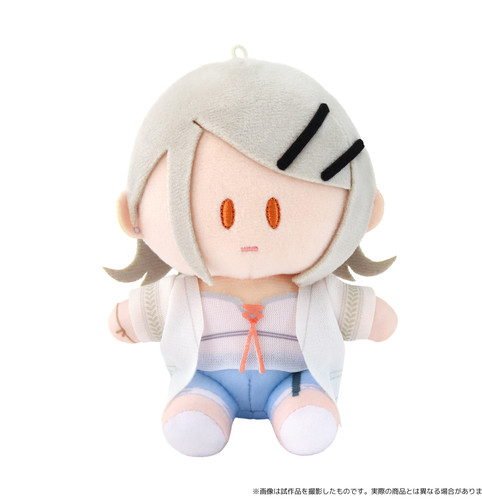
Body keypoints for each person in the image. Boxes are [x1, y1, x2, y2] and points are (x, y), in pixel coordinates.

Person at [105, 51, 397, 456]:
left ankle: (298, 409)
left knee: (307, 418)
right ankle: (203, 407)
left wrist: (375, 318)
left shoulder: (317, 292)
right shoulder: (182, 294)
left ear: (367, 209)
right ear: (132, 215)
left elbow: (367, 317)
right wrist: (126, 320)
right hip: (206, 379)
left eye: (275, 212)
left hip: (295, 379)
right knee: (193, 421)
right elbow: (144, 315)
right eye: (224, 213)